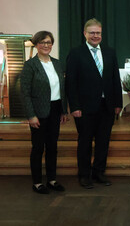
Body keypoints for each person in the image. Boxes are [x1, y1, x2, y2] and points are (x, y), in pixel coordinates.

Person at [66, 18, 122, 189]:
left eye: (98, 33)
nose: (95, 36)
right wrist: (74, 107)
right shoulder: (75, 53)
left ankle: (99, 172)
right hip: (84, 108)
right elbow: (71, 83)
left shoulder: (110, 52)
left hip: (107, 107)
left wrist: (118, 103)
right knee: (85, 142)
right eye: (92, 33)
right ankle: (84, 175)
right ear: (85, 34)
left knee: (103, 142)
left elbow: (115, 79)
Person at [20, 31, 68, 194]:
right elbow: (25, 92)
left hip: (55, 109)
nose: (46, 45)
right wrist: (31, 115)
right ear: (36, 44)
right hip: (38, 112)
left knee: (52, 146)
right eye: (42, 42)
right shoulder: (30, 65)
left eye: (48, 42)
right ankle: (37, 182)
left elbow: (63, 88)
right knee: (38, 147)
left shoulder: (57, 63)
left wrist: (63, 110)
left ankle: (52, 180)